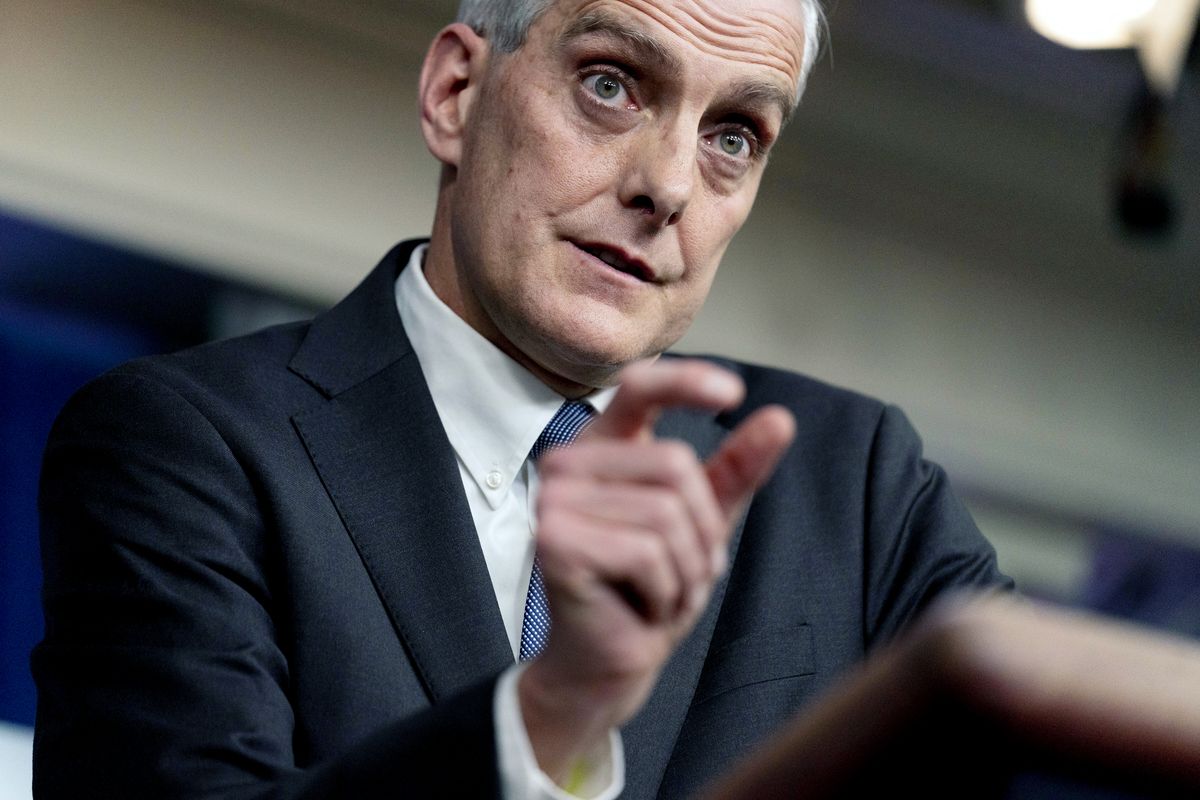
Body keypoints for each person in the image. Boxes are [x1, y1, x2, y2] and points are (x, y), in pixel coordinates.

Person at [32, 0, 1010, 797]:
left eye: (734, 135)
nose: (667, 184)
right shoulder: (181, 445)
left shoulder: (858, 486)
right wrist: (554, 708)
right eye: (610, 84)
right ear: (456, 92)